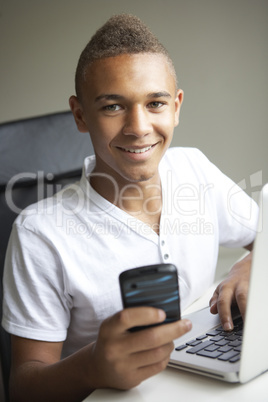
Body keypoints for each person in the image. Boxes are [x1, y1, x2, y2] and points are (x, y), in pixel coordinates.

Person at [2, 14, 258, 402]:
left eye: (155, 103)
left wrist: (251, 264)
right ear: (80, 115)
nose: (138, 127)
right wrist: (92, 366)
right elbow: (23, 387)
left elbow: (263, 236)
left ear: (176, 107)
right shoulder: (40, 233)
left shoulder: (194, 169)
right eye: (112, 107)